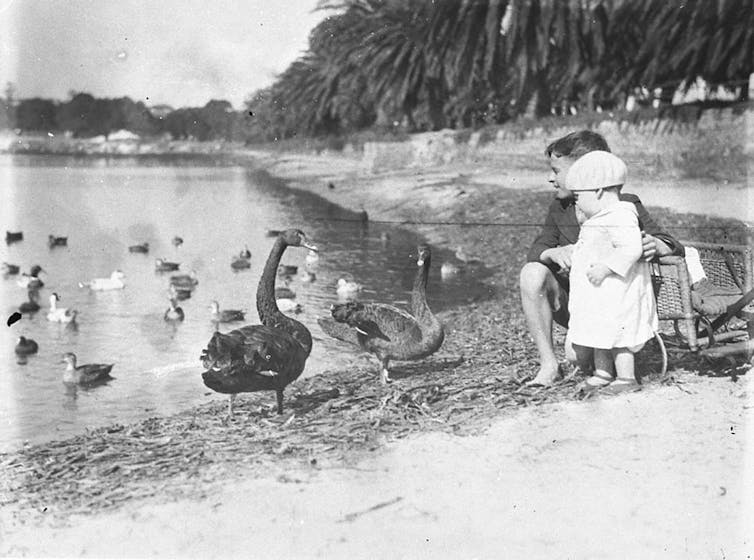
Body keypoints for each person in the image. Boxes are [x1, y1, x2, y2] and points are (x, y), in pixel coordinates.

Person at [520, 130, 683, 386]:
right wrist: (553, 252)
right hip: (582, 303)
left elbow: (669, 241)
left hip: (614, 304)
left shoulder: (623, 205)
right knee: (532, 271)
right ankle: (548, 364)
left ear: (585, 171)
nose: (550, 178)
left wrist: (657, 245)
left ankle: (618, 368)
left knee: (577, 358)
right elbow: (537, 248)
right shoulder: (560, 207)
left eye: (556, 170)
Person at [565, 151, 658, 393]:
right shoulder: (598, 217)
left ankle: (626, 377)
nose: (576, 202)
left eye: (577, 196)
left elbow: (631, 247)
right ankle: (603, 372)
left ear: (597, 191)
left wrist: (607, 267)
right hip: (599, 295)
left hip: (618, 292)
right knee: (600, 334)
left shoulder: (621, 214)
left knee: (618, 335)